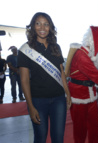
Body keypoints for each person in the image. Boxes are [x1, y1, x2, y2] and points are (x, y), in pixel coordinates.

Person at [17, 12, 71, 143]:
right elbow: (24, 80)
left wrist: (67, 94)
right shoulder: (25, 49)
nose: (42, 27)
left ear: (50, 27)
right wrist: (30, 106)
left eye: (46, 24)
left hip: (58, 99)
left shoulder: (56, 47)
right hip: (38, 100)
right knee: (40, 138)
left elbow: (61, 72)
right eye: (38, 23)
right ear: (33, 26)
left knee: (58, 138)